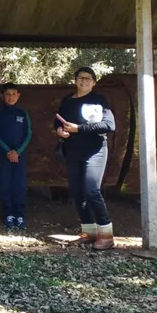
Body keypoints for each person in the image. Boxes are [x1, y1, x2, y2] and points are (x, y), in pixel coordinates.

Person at [55, 67, 116, 250]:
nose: (84, 81)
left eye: (88, 79)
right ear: (75, 80)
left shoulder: (99, 101)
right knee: (76, 192)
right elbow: (59, 121)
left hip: (95, 151)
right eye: (80, 78)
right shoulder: (67, 101)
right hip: (73, 151)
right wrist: (60, 130)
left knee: (91, 190)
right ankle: (88, 232)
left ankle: (106, 235)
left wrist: (79, 129)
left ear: (94, 82)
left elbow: (108, 125)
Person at [0, 82, 32, 231]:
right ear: (2, 96)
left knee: (19, 184)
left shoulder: (23, 113)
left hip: (20, 156)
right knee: (5, 184)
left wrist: (18, 151)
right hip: (3, 155)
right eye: (7, 94)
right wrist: (8, 151)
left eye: (13, 94)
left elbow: (28, 134)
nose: (10, 97)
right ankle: (8, 213)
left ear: (18, 95)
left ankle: (20, 214)